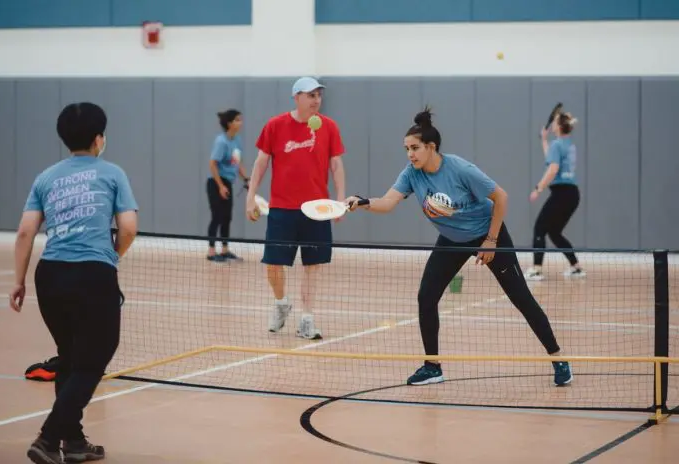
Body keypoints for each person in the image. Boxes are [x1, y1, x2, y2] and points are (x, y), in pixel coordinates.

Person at [345, 107, 572, 388]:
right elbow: (388, 202)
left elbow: (501, 197)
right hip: (451, 239)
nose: (410, 154)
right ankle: (432, 366)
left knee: (521, 298)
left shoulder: (460, 169)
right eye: (406, 149)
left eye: (414, 148)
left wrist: (490, 241)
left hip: (488, 234)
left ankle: (558, 358)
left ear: (431, 147)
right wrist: (363, 202)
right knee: (426, 296)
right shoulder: (412, 173)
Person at [9, 102, 139, 464]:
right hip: (92, 275)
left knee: (69, 358)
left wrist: (18, 281)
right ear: (100, 138)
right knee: (94, 359)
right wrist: (114, 254)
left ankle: (75, 441)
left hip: (50, 276)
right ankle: (49, 438)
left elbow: (24, 233)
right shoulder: (112, 174)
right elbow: (128, 228)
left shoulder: (46, 177)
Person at [246, 77, 346, 340]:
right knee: (273, 265)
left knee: (313, 266)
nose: (316, 100)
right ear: (296, 97)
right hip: (281, 208)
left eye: (318, 95)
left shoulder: (329, 127)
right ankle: (281, 302)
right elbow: (260, 163)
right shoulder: (275, 125)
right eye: (310, 95)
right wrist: (251, 196)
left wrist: (341, 200)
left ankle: (307, 318)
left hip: (316, 209)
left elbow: (336, 165)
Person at [525, 111, 586, 281]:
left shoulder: (557, 145)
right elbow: (552, 159)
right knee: (554, 232)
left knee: (539, 229)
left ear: (558, 126)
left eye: (554, 122)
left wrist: (538, 188)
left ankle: (536, 269)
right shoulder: (567, 145)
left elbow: (553, 168)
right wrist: (544, 140)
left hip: (562, 194)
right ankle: (576, 267)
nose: (551, 124)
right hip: (572, 195)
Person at [206, 109, 249, 262]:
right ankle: (211, 252)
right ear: (230, 123)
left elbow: (237, 162)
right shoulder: (221, 141)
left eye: (240, 119)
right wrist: (220, 186)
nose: (240, 122)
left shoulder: (236, 140)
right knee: (217, 216)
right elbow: (212, 164)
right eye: (237, 120)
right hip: (215, 182)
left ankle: (224, 250)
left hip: (227, 183)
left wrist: (246, 179)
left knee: (227, 217)